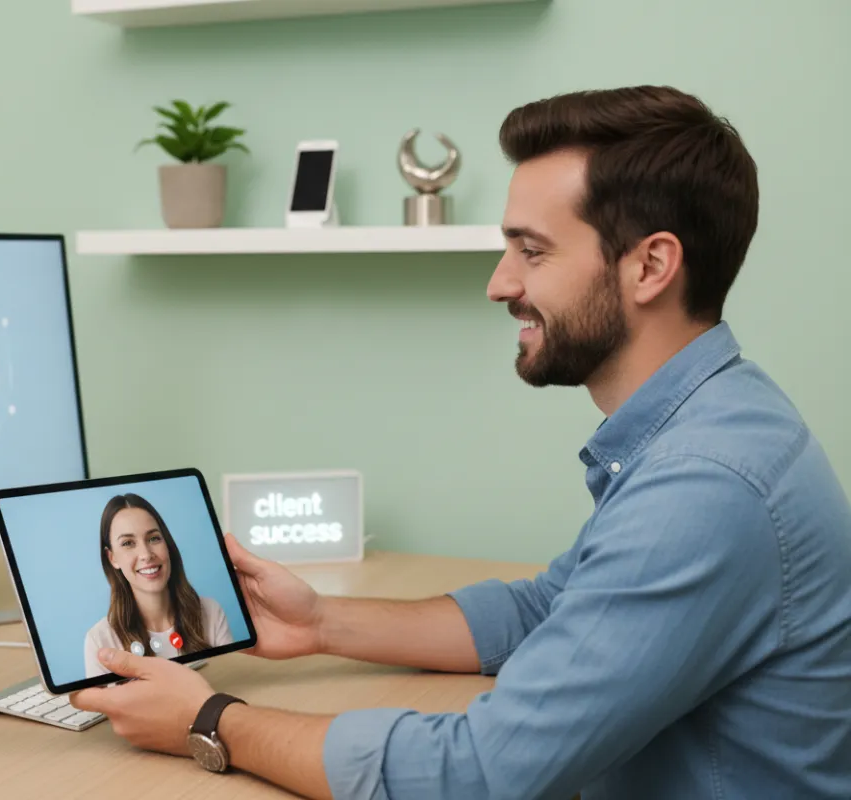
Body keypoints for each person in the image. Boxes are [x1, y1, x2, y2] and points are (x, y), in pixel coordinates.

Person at [70, 85, 851, 799]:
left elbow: (480, 773)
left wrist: (210, 722)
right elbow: (548, 610)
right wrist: (319, 625)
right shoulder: (713, 422)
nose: (500, 282)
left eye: (532, 250)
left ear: (651, 264)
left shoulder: (705, 486)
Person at [84, 492, 233, 678]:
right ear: (112, 558)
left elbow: (233, 686)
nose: (146, 554)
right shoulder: (99, 641)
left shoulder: (211, 612)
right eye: (128, 543)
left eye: (154, 538)